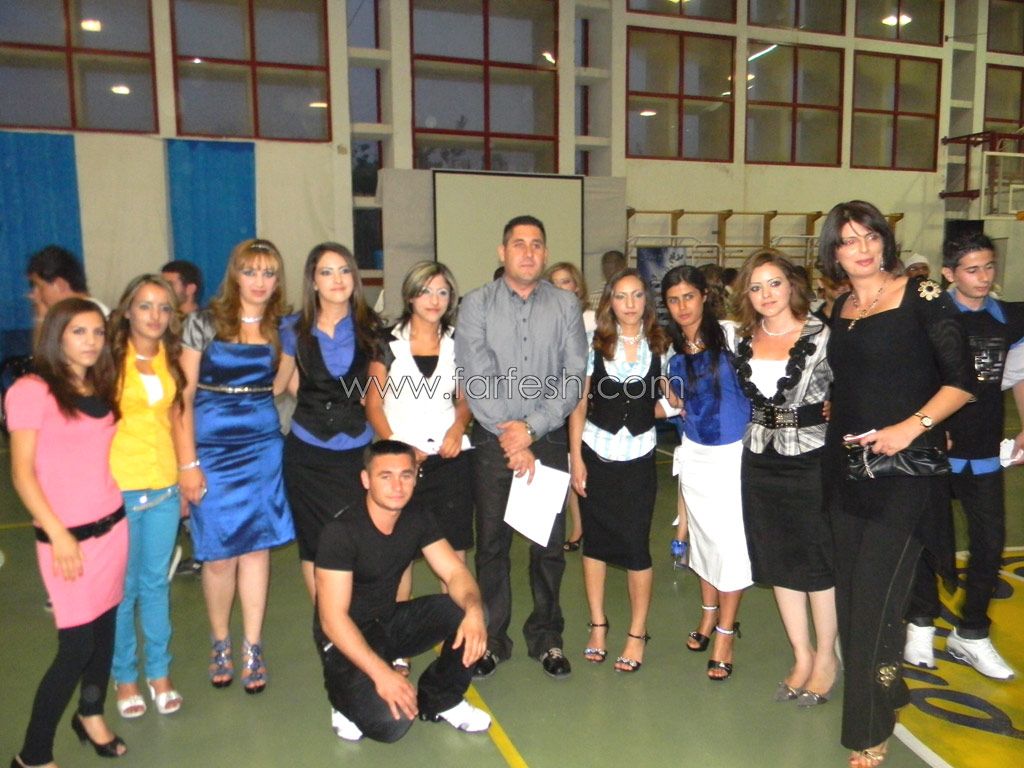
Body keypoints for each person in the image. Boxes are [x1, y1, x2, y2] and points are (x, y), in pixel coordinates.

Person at [819, 200, 973, 768]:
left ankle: (870, 729)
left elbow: (962, 380)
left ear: (885, 241)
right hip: (846, 471)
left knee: (875, 606)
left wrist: (912, 427)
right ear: (834, 253)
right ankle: (888, 691)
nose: (862, 249)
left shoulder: (922, 296)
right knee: (851, 599)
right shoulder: (840, 307)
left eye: (870, 236)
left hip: (904, 476)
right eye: (848, 240)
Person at [455, 214, 588, 680]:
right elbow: (474, 375)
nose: (528, 252)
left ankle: (547, 638)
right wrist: (511, 436)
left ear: (545, 253)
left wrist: (530, 430)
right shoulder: (476, 305)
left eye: (536, 244)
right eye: (518, 244)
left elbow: (573, 375)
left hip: (546, 441)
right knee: (492, 545)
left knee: (547, 547)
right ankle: (493, 641)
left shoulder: (566, 306)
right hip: (492, 443)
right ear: (502, 252)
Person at [7, 298, 129, 766]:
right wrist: (58, 533)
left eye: (97, 332)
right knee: (76, 648)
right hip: (66, 541)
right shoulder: (31, 390)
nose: (91, 341)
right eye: (79, 331)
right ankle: (33, 755)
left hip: (112, 528)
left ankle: (91, 714)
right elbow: (22, 473)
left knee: (105, 632)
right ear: (57, 335)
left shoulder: (99, 383)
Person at [903, 232, 1023, 680]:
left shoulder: (1009, 319)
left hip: (985, 447)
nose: (983, 277)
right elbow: (913, 380)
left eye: (988, 267)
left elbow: (1018, 375)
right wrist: (932, 426)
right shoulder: (930, 317)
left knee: (990, 541)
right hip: (936, 447)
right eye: (972, 270)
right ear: (949, 273)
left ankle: (971, 633)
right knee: (926, 539)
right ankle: (919, 622)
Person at [314, 440, 490, 742]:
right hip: (344, 638)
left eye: (406, 475)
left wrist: (473, 611)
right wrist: (382, 675)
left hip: (387, 623)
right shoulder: (341, 532)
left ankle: (441, 698)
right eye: (386, 476)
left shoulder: (417, 516)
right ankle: (341, 700)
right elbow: (332, 620)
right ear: (366, 480)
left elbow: (455, 572)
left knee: (471, 612)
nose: (397, 486)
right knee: (391, 724)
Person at [179, 238, 295, 694]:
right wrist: (187, 463)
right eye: (250, 272)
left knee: (256, 549)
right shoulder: (203, 323)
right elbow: (183, 396)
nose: (260, 282)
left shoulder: (281, 327)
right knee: (219, 555)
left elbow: (280, 386)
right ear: (235, 275)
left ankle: (252, 645)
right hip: (210, 450)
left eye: (269, 273)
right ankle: (220, 641)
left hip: (262, 448)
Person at [731, 250, 838, 705]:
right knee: (777, 559)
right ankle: (801, 654)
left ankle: (827, 657)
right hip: (759, 458)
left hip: (811, 458)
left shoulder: (824, 335)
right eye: (755, 287)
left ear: (792, 284)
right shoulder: (743, 337)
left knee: (816, 560)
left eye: (774, 283)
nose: (766, 294)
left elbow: (858, 386)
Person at [568, 269, 672, 673]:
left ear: (647, 301)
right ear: (609, 301)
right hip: (596, 454)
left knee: (636, 548)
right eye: (621, 296)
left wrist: (659, 409)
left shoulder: (661, 345)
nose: (629, 304)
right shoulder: (593, 344)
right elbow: (579, 404)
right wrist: (576, 458)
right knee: (594, 545)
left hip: (639, 459)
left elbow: (675, 395)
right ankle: (598, 625)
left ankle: (637, 632)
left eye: (637, 295)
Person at [277, 243, 382, 602]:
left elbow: (380, 390)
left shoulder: (371, 327)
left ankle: (356, 620)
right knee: (314, 544)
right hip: (307, 456)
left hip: (357, 454)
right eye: (326, 272)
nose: (337, 279)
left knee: (358, 541)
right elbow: (281, 384)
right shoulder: (292, 329)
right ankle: (327, 623)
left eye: (344, 270)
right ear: (313, 281)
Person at [663, 265, 752, 681]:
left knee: (730, 547)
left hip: (733, 454)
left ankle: (725, 634)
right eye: (673, 300)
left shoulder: (734, 336)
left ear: (703, 296)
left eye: (689, 296)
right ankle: (707, 614)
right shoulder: (671, 355)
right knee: (701, 542)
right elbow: (674, 407)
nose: (682, 306)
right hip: (695, 455)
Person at [108, 276, 188, 718]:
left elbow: (175, 420)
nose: (155, 316)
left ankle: (160, 673)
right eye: (145, 306)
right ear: (127, 311)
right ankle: (124, 677)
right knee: (122, 591)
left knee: (155, 585)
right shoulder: (107, 360)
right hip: (117, 490)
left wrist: (185, 476)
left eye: (164, 307)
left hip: (163, 489)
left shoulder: (169, 358)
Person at [365, 261, 473, 580]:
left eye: (442, 292)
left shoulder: (460, 342)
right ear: (410, 296)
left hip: (449, 459)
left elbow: (465, 399)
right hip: (400, 464)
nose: (434, 300)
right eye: (426, 291)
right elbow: (373, 405)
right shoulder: (385, 342)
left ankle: (456, 616)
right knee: (398, 558)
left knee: (454, 554)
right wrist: (399, 449)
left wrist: (458, 428)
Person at [543, 261, 595, 552]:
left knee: (586, 465)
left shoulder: (593, 320)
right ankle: (576, 527)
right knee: (566, 465)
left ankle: (588, 526)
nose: (560, 288)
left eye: (565, 281)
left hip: (591, 401)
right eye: (553, 284)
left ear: (576, 286)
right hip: (558, 403)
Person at [26, 245, 110, 323]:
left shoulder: (86, 315)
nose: (32, 295)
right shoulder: (81, 312)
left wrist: (42, 318)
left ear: (60, 285)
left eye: (38, 287)